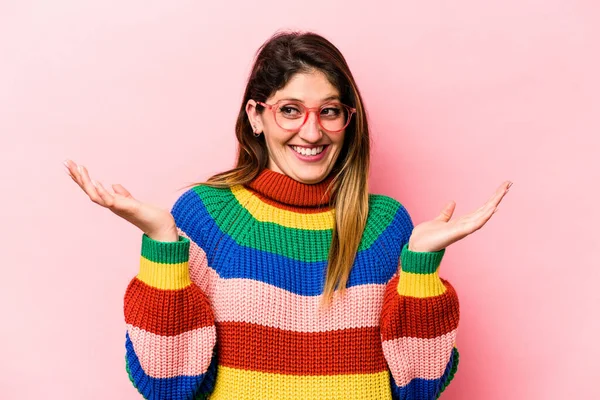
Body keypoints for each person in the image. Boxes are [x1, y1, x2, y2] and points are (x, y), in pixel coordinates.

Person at [64, 30, 511, 400]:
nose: (312, 131)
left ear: (348, 120)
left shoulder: (384, 226)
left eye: (330, 111)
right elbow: (166, 383)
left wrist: (419, 264)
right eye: (290, 110)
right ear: (256, 116)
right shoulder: (209, 215)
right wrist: (163, 243)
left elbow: (420, 385)